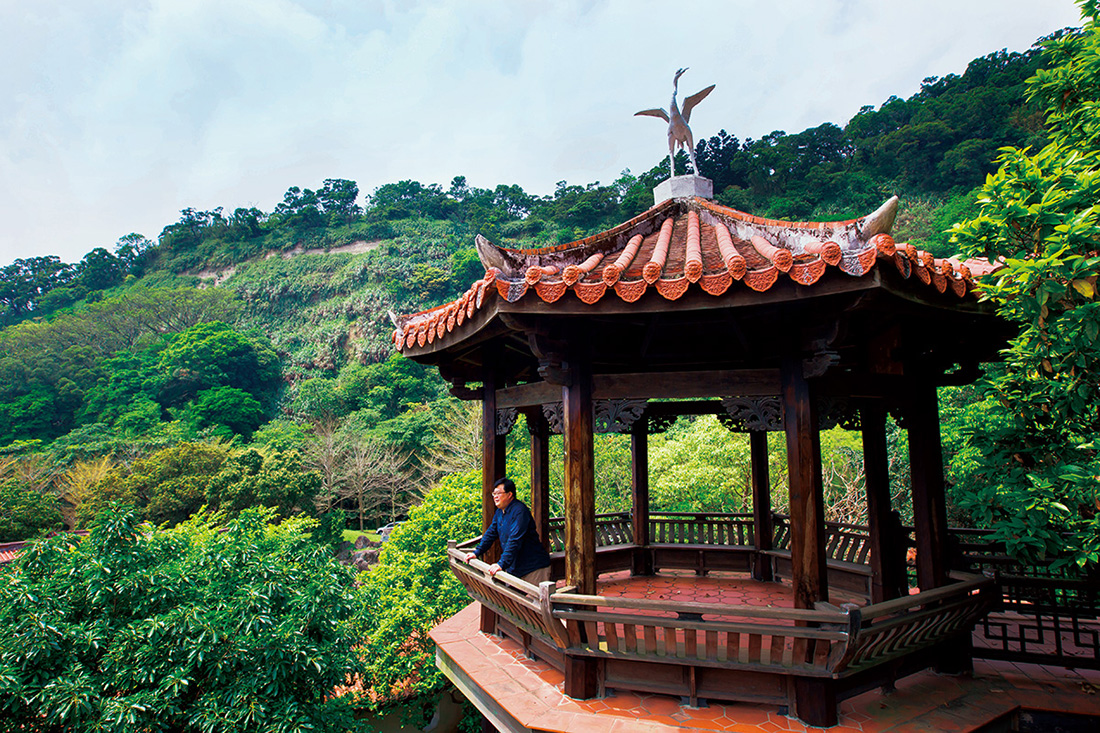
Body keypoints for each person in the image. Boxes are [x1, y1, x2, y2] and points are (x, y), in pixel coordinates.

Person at [464, 477, 552, 585]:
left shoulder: (520, 511)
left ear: (509, 495)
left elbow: (515, 539)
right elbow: (490, 534)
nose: (495, 496)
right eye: (494, 493)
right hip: (515, 569)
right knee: (514, 601)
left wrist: (501, 564)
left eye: (498, 493)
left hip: (534, 568)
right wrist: (476, 552)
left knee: (538, 600)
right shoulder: (500, 513)